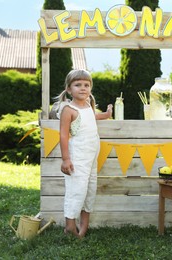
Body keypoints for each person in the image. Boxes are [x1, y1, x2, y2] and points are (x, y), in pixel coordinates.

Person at [57, 69, 112, 238]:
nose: (83, 88)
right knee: (76, 190)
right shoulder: (69, 109)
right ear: (68, 89)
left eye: (86, 85)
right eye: (78, 85)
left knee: (89, 190)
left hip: (91, 157)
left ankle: (83, 227)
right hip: (78, 157)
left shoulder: (88, 105)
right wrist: (66, 159)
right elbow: (63, 135)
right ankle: (70, 226)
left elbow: (91, 118)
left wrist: (107, 114)